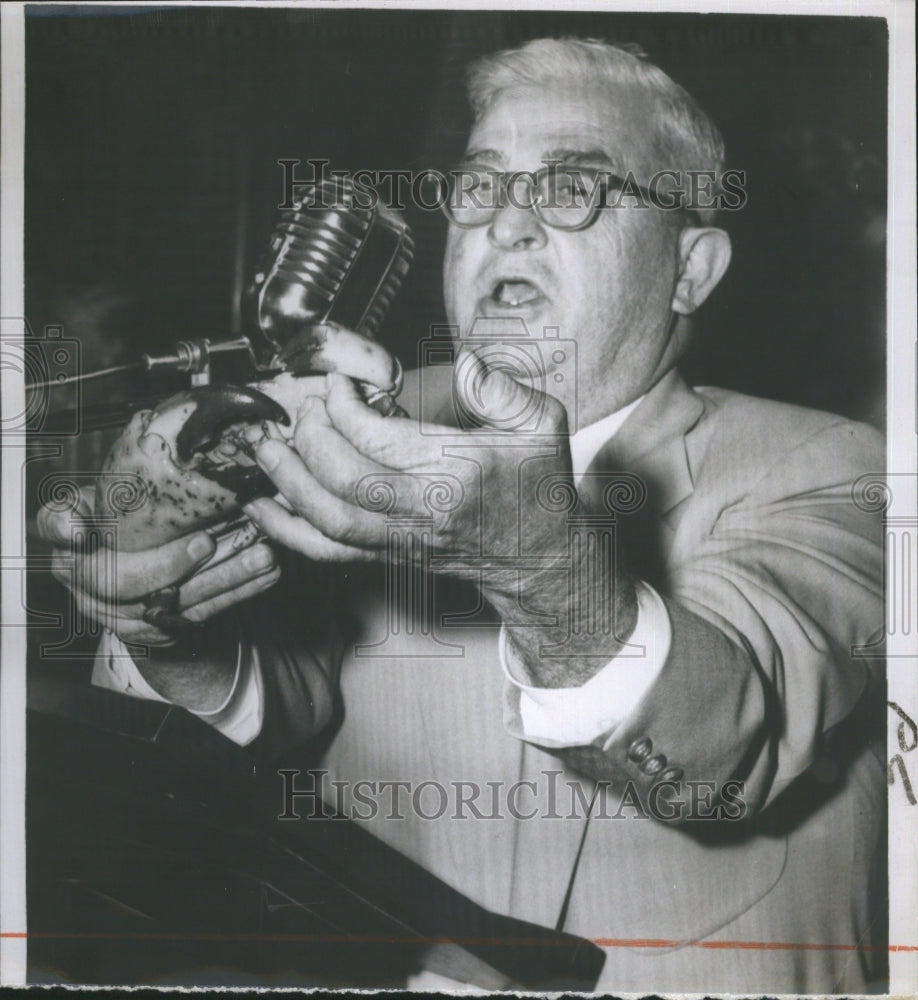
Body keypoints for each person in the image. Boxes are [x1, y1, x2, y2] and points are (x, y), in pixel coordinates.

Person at [39, 38, 886, 994]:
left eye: (572, 189)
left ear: (691, 268)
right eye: (479, 189)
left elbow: (735, 738)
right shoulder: (357, 418)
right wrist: (172, 633)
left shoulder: (835, 466)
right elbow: (272, 699)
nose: (506, 225)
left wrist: (543, 569)